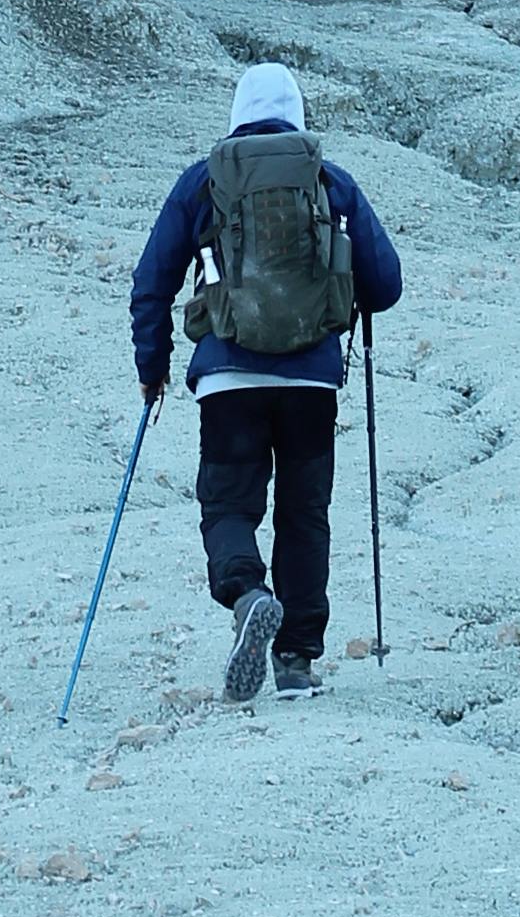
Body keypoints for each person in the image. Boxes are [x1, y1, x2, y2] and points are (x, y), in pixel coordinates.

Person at [130, 63, 403, 700]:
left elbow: (150, 283)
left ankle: (249, 593)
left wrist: (154, 369)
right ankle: (297, 662)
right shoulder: (329, 180)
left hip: (228, 378)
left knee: (228, 505)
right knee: (304, 515)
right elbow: (386, 284)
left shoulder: (203, 182)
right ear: (298, 112)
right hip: (310, 381)